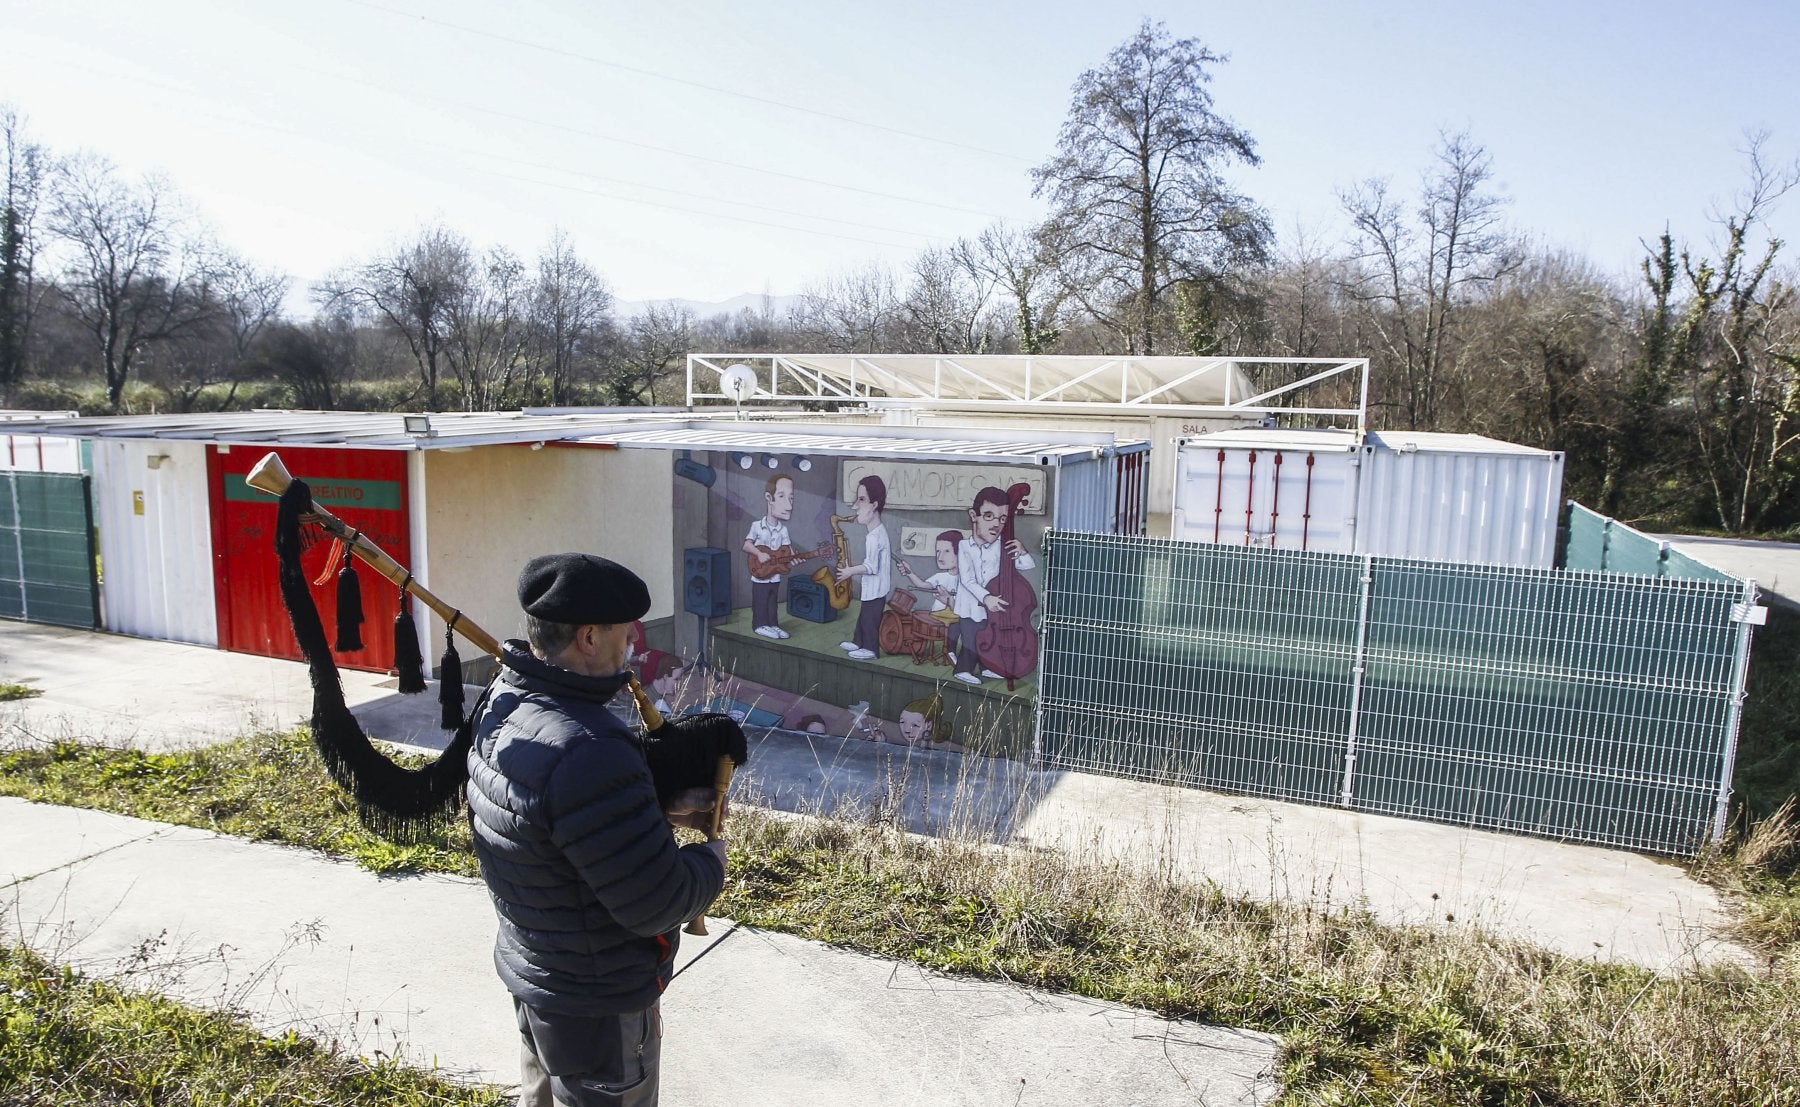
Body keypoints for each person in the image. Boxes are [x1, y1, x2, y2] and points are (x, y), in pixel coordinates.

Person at [467, 553, 729, 1107]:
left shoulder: (505, 702)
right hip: (596, 1005)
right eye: (624, 629)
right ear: (588, 637)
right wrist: (711, 861)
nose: (632, 640)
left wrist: (650, 810)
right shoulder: (590, 746)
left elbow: (546, 826)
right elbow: (657, 902)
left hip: (539, 974)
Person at [950, 486, 1036, 686]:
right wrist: (986, 597)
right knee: (972, 639)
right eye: (989, 516)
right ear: (974, 515)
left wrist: (1022, 552)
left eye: (1003, 519)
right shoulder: (964, 547)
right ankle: (963, 669)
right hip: (971, 605)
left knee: (988, 638)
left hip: (994, 608)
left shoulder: (1002, 546)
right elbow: (967, 580)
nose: (997, 524)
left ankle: (988, 666)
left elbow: (1027, 566)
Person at [834, 475, 890, 661]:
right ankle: (858, 641)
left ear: (874, 505)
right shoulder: (876, 533)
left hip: (876, 588)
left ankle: (871, 649)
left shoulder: (874, 537)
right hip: (873, 588)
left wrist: (849, 571)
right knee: (864, 616)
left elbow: (871, 567)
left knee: (869, 619)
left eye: (861, 499)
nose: (855, 506)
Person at [743, 472, 797, 640]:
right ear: (769, 497)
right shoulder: (756, 526)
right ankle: (759, 625)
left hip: (775, 575)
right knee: (761, 599)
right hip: (760, 574)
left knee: (773, 601)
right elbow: (746, 545)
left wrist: (795, 557)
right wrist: (759, 554)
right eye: (781, 496)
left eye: (791, 498)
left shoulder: (783, 530)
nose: (789, 505)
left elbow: (788, 550)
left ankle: (773, 624)